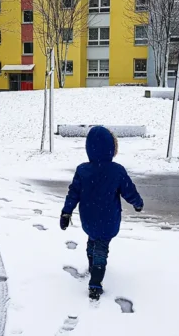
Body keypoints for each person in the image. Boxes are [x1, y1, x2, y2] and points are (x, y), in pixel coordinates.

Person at [60, 126, 144, 300]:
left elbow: (73, 193)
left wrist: (66, 212)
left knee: (92, 241)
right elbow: (129, 191)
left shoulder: (83, 170)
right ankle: (95, 284)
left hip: (88, 219)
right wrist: (138, 203)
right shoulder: (117, 170)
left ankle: (92, 267)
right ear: (112, 148)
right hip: (108, 219)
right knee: (101, 249)